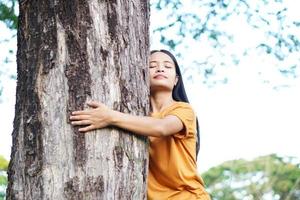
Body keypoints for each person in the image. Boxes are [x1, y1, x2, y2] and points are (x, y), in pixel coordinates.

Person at [70, 49, 211, 199]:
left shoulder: (183, 110)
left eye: (167, 66)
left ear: (176, 80)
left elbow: (161, 127)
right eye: (152, 65)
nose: (160, 68)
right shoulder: (138, 117)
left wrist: (110, 117)